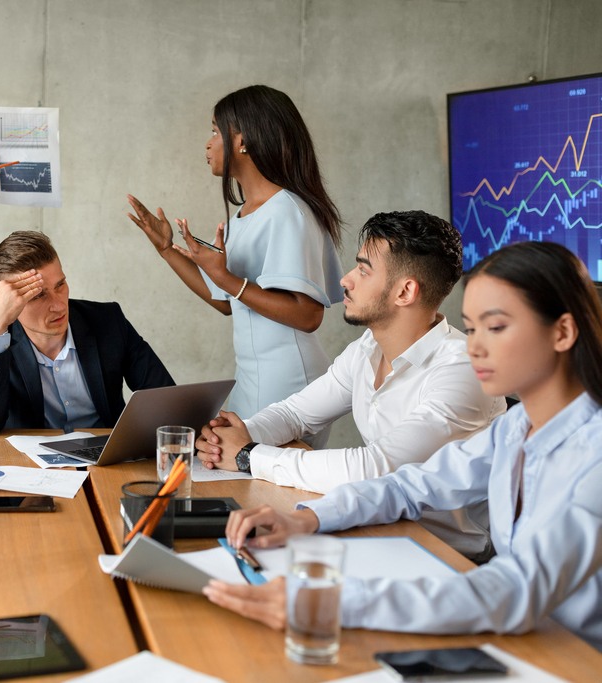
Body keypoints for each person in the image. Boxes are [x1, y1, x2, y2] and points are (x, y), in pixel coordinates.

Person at [207, 241, 602, 650]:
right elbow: (410, 485)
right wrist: (307, 519)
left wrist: (333, 601)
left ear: (563, 332)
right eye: (471, 329)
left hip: (577, 658)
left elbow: (518, 587)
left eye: (496, 327)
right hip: (530, 637)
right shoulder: (518, 427)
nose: (476, 347)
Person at [196, 211, 506, 561]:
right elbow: (296, 413)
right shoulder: (367, 349)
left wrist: (248, 455)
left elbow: (373, 467)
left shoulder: (463, 369)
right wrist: (236, 436)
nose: (345, 280)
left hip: (448, 557)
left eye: (363, 269)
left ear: (405, 291)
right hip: (378, 530)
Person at [127, 85, 343, 432]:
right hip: (251, 379)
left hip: (288, 383)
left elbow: (308, 314)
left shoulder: (287, 212)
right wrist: (166, 249)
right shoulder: (243, 216)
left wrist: (229, 280)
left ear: (243, 140)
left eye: (215, 131)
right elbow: (226, 301)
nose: (208, 143)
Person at [0, 230, 175, 435]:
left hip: (106, 458)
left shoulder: (108, 320)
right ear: (9, 302)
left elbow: (164, 399)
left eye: (60, 285)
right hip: (34, 463)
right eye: (38, 296)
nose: (58, 305)